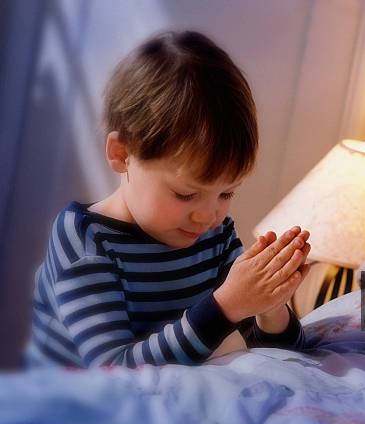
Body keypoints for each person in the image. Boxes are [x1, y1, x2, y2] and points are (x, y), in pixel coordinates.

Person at [25, 30, 312, 368]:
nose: (208, 216)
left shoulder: (215, 238)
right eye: (186, 194)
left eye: (226, 193)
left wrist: (269, 306)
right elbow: (112, 371)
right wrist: (225, 306)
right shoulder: (85, 238)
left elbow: (283, 355)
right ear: (121, 154)